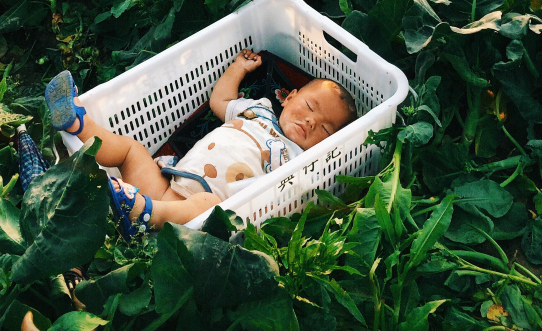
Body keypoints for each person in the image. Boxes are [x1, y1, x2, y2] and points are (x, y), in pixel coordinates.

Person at [45, 49, 356, 239]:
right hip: (169, 186)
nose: (311, 121)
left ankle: (142, 212)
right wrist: (238, 68)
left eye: (324, 128)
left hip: (196, 219)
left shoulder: (300, 159)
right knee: (131, 150)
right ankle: (78, 123)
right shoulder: (258, 109)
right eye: (310, 107)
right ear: (288, 97)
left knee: (209, 205)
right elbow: (220, 101)